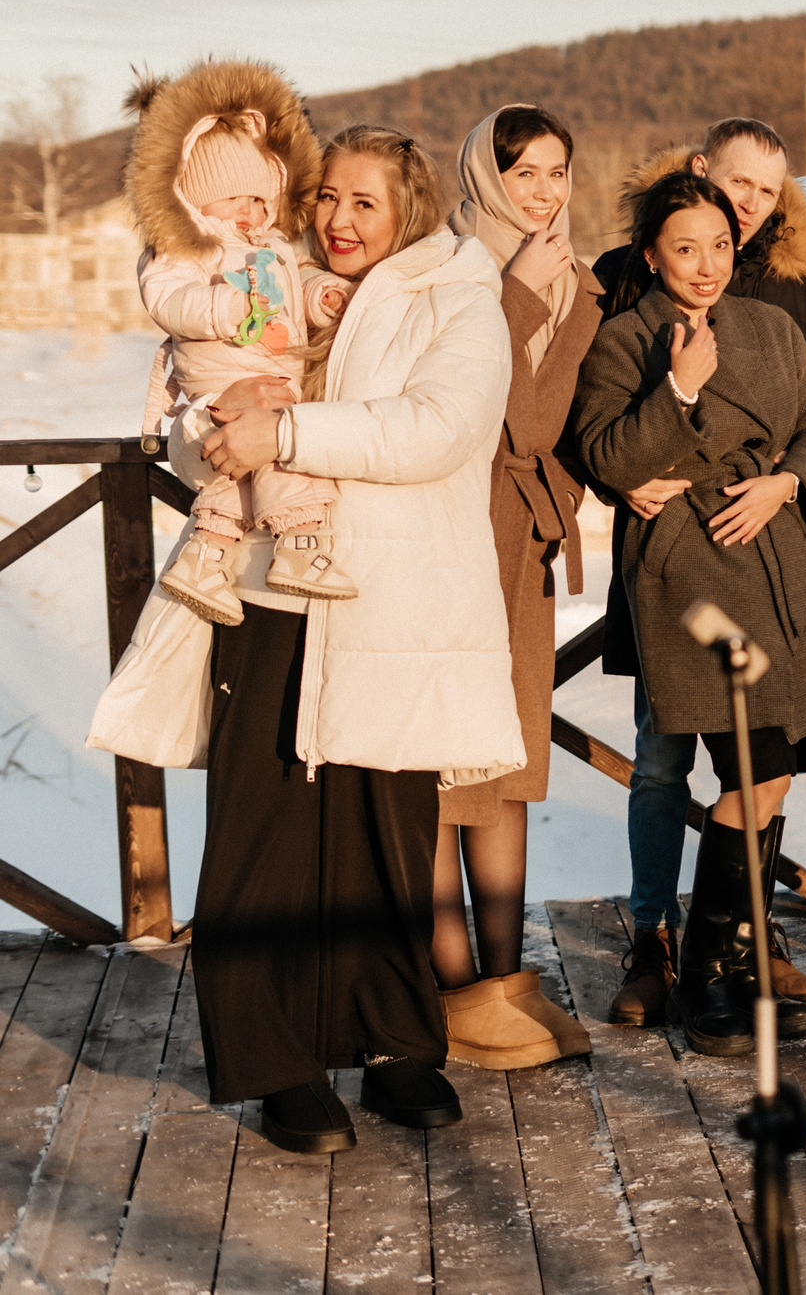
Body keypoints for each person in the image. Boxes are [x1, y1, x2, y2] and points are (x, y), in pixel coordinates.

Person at [92, 107, 521, 1156]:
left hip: (390, 600)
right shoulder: (270, 281)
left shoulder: (457, 301)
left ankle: (392, 1037)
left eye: (362, 202)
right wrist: (220, 436)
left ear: (407, 210)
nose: (335, 217)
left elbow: (435, 428)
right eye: (325, 195)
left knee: (385, 827)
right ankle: (276, 1059)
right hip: (265, 593)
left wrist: (284, 428)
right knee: (261, 834)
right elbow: (207, 433)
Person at [573, 170, 806, 1057]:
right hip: (690, 574)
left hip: (775, 560)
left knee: (769, 774)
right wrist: (680, 392)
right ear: (652, 254)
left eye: (720, 245)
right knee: (744, 769)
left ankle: (728, 958)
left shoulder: (771, 326)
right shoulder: (626, 340)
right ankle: (708, 970)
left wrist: (788, 481)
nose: (704, 265)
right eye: (684, 248)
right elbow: (608, 451)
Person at [431, 105, 602, 1069]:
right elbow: (500, 419)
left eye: (556, 172)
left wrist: (567, 492)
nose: (544, 192)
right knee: (439, 771)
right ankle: (452, 987)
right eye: (525, 173)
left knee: (506, 767)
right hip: (449, 542)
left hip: (522, 549)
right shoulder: (450, 272)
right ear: (489, 178)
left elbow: (551, 432)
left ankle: (506, 979)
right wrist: (518, 299)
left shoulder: (574, 285)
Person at [129, 74, 357, 624]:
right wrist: (220, 309)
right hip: (219, 381)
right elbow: (166, 299)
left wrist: (319, 296)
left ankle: (203, 560)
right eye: (238, 198)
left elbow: (288, 289)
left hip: (270, 375)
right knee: (284, 449)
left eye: (260, 199)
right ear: (197, 197)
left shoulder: (272, 246)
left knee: (237, 475)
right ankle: (301, 548)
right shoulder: (188, 250)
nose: (252, 212)